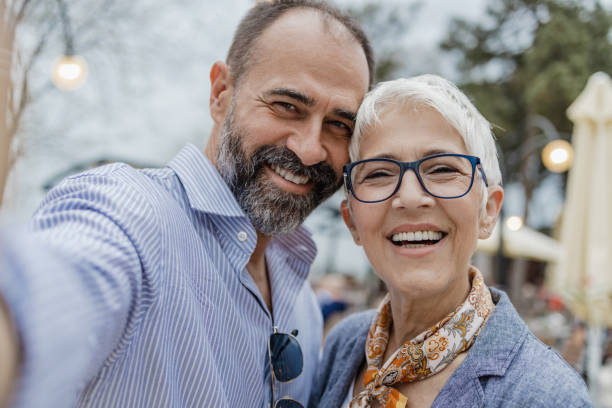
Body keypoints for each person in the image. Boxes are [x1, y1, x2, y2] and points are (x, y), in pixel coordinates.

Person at [0, 1, 374, 407]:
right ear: (220, 94)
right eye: (287, 106)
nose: (309, 150)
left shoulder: (300, 298)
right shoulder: (130, 214)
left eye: (339, 125)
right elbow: (51, 294)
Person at [309, 75, 593, 408]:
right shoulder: (346, 344)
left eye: (442, 169)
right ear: (352, 221)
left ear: (488, 211)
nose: (410, 197)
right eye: (379, 173)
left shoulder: (546, 395)